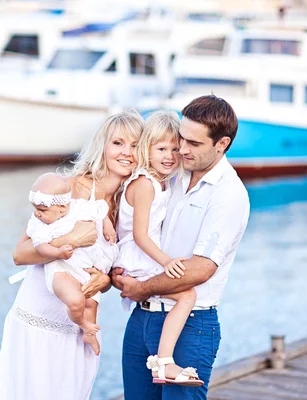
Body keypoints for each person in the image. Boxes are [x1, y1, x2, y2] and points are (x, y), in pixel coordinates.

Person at [0, 110, 144, 400]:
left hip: (81, 331)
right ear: (103, 147)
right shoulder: (70, 189)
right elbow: (20, 254)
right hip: (39, 322)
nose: (127, 153)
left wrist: (107, 280)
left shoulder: (130, 203)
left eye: (136, 145)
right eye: (118, 143)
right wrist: (71, 238)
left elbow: (109, 267)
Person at [113, 95, 250, 400]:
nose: (182, 150)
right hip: (142, 318)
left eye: (194, 144)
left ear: (222, 143)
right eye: (180, 140)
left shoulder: (229, 195)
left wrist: (140, 287)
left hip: (190, 325)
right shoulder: (170, 174)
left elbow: (201, 268)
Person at [115, 110, 202, 386]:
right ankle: (165, 362)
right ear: (146, 149)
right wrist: (166, 261)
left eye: (175, 149)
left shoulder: (161, 182)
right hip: (138, 257)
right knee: (187, 296)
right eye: (162, 148)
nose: (170, 156)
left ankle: (163, 361)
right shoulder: (145, 184)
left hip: (144, 255)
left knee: (185, 296)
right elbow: (140, 234)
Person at [24, 172, 119, 355]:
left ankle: (89, 332)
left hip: (84, 266)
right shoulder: (39, 223)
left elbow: (101, 210)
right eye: (35, 208)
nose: (37, 213)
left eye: (42, 210)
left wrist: (107, 226)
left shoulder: (79, 207)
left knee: (91, 303)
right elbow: (41, 247)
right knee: (76, 301)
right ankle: (82, 323)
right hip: (61, 268)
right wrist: (58, 252)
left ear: (62, 207)